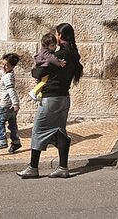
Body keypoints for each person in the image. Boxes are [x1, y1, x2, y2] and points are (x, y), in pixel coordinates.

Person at [18, 23, 84, 179]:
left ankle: (33, 168)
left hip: (51, 98)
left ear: (60, 35)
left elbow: (39, 72)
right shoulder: (73, 55)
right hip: (64, 98)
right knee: (59, 131)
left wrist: (34, 70)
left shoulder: (59, 55)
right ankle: (63, 167)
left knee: (38, 130)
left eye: (57, 34)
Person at [0, 53, 22, 153]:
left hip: (6, 104)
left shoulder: (7, 77)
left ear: (12, 66)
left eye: (6, 65)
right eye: (3, 64)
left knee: (0, 122)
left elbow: (11, 90)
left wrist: (16, 103)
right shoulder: (9, 73)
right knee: (12, 124)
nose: (3, 66)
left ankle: (2, 141)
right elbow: (2, 73)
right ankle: (16, 142)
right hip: (11, 105)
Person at [27, 32, 66, 104]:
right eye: (52, 45)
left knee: (41, 83)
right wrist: (59, 63)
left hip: (41, 69)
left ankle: (39, 95)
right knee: (44, 82)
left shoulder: (44, 51)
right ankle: (34, 92)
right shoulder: (46, 53)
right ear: (46, 46)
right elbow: (52, 59)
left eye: (55, 45)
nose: (55, 47)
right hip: (43, 69)